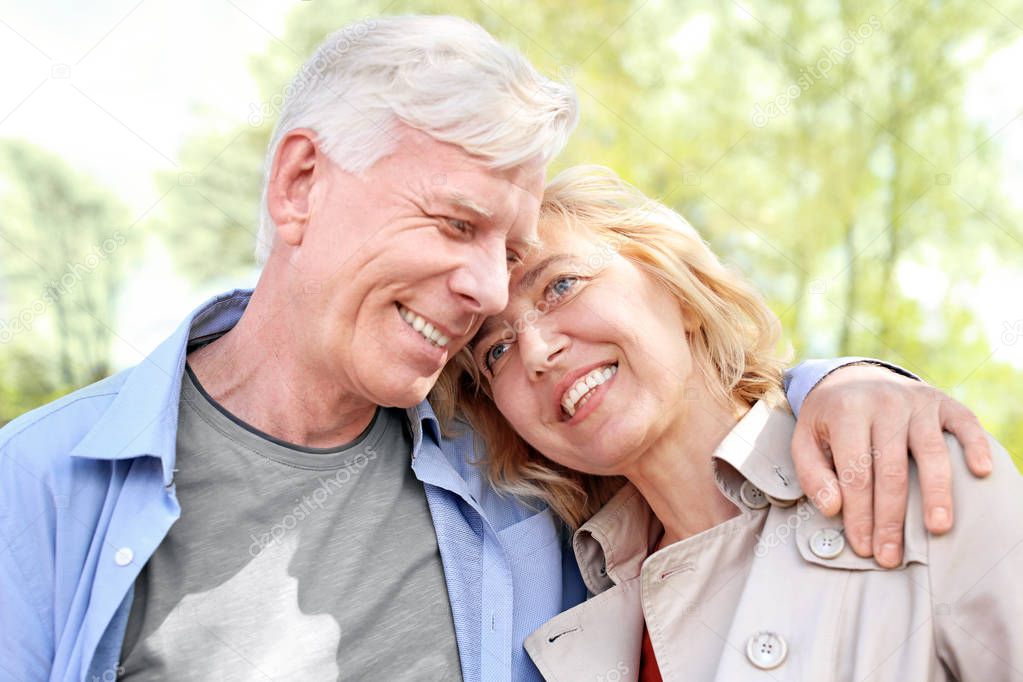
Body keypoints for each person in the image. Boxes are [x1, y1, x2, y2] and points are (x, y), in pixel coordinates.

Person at [0, 16, 993, 682]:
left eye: (532, 265)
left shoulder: (507, 491)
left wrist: (848, 382)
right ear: (302, 181)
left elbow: (705, 441)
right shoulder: (39, 486)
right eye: (454, 223)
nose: (483, 296)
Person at [446, 165, 1023, 680]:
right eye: (495, 351)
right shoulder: (573, 606)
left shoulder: (908, 466)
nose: (536, 352)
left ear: (681, 291)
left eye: (560, 286)